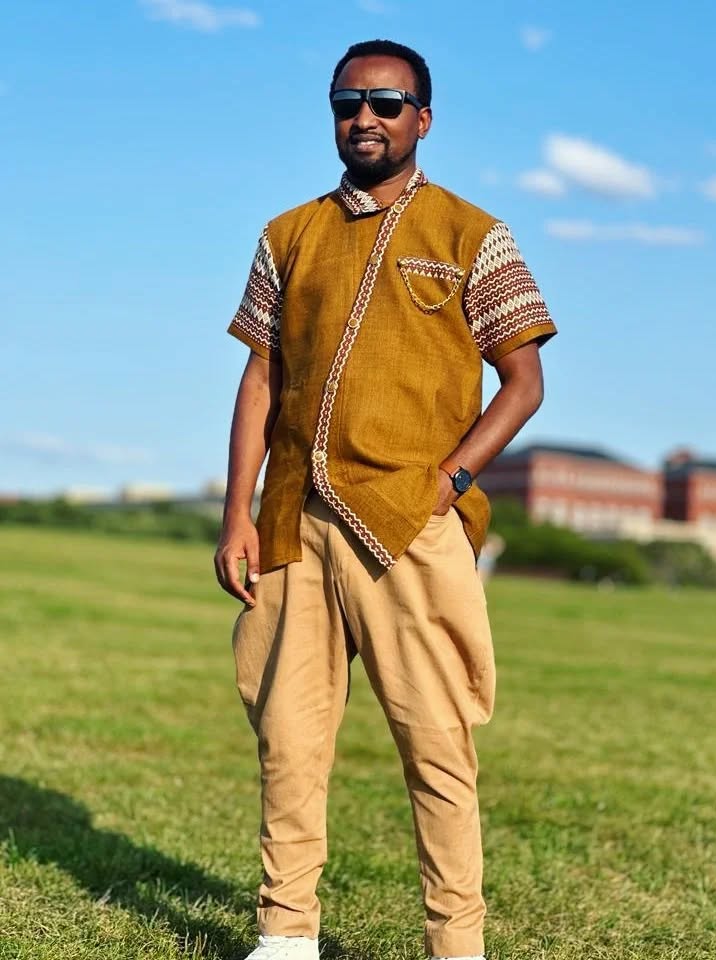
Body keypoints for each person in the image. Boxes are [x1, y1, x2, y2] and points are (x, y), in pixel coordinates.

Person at [214, 39, 557, 960]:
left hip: (409, 528)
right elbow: (261, 375)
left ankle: (458, 945)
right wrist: (237, 511)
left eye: (386, 101)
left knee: (437, 749)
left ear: (423, 119)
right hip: (293, 524)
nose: (365, 116)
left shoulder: (473, 234)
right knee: (289, 742)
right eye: (347, 100)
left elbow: (523, 381)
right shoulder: (287, 234)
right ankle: (285, 934)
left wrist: (446, 484)